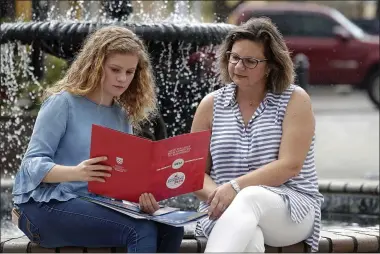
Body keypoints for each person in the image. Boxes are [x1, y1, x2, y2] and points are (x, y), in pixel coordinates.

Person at [12, 26, 184, 253]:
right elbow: (30, 166)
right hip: (44, 207)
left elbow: (118, 179)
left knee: (172, 228)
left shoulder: (121, 114)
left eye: (130, 72)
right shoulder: (62, 103)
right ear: (95, 65)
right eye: (115, 69)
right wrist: (77, 172)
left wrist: (141, 198)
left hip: (93, 205)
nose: (123, 79)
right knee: (139, 230)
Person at [191, 17, 324, 252]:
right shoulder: (210, 105)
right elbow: (194, 172)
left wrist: (234, 188)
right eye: (235, 58)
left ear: (271, 65)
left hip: (291, 209)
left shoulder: (295, 99)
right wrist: (220, 197)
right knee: (250, 240)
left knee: (249, 197)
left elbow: (290, 166)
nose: (239, 66)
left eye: (250, 61)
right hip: (222, 211)